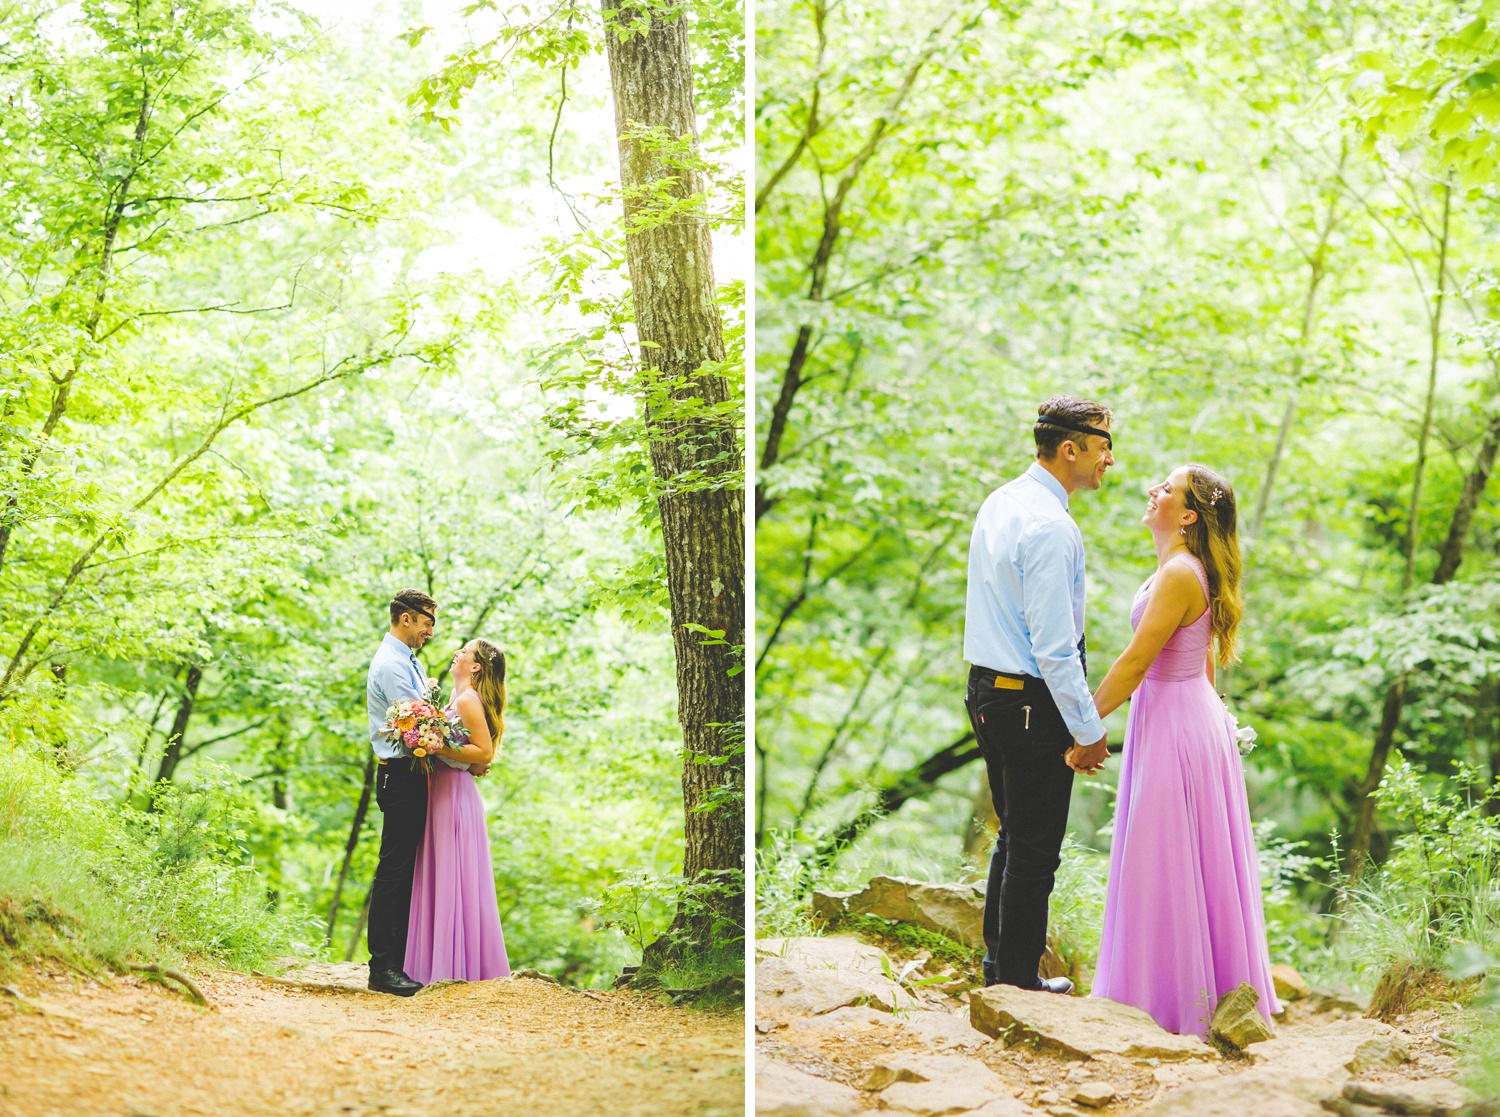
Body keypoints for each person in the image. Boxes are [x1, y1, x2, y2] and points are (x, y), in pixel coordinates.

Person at [1088, 464, 1279, 1036]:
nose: (1153, 491)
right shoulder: (1182, 569)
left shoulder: (1179, 572)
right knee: (1172, 857)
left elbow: (1134, 662)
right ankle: (1178, 991)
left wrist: (1080, 726)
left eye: (1166, 489)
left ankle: (1174, 1006)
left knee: (1165, 857)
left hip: (1176, 722)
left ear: (1189, 514)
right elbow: (1200, 658)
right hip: (1179, 716)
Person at [962, 395, 1114, 993]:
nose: (1110, 459)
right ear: (1070, 448)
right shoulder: (1051, 526)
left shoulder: (1003, 500)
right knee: (1034, 849)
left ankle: (1002, 971)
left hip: (986, 691)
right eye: (1104, 446)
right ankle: (1017, 985)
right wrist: (1088, 727)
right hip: (1029, 702)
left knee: (1013, 836)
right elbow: (1055, 647)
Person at [404, 637, 510, 983]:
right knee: (441, 875)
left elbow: (483, 753)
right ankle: (437, 966)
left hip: (453, 797)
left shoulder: (467, 700)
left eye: (463, 652)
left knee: (453, 876)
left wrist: (434, 745)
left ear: (476, 666)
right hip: (440, 792)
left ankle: (455, 970)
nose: (456, 654)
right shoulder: (456, 698)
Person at [364, 588, 440, 997]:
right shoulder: (393, 665)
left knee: (404, 869)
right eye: (428, 621)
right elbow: (418, 729)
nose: (431, 630)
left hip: (410, 774)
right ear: (406, 618)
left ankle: (399, 960)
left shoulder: (407, 660)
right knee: (394, 870)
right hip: (400, 774)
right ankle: (383, 967)